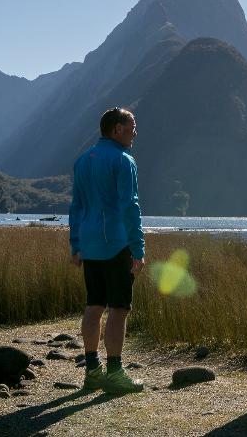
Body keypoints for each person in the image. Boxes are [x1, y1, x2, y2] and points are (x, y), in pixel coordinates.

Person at [69, 107, 145, 394]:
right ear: (116, 129)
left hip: (89, 244)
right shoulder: (124, 160)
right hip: (116, 244)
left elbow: (76, 206)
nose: (135, 132)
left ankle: (92, 371)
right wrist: (138, 248)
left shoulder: (82, 161)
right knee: (119, 308)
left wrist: (75, 243)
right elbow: (130, 206)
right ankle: (114, 372)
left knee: (93, 306)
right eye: (131, 126)